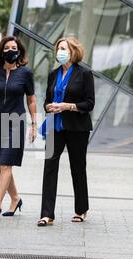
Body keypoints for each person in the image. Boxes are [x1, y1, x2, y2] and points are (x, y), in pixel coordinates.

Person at [0, 36, 37, 222]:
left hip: (16, 121)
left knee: (6, 163)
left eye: (14, 47)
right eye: (8, 47)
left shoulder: (25, 73)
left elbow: (31, 100)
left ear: (19, 51)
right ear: (2, 51)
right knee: (1, 164)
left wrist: (34, 125)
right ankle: (16, 198)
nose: (11, 50)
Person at [37, 37, 95, 226]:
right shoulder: (53, 74)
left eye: (63, 48)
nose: (59, 52)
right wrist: (50, 107)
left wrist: (67, 106)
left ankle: (81, 209)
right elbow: (46, 101)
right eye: (58, 48)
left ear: (73, 52)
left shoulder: (84, 73)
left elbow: (89, 103)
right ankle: (47, 214)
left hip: (77, 128)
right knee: (49, 167)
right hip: (55, 127)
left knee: (77, 168)